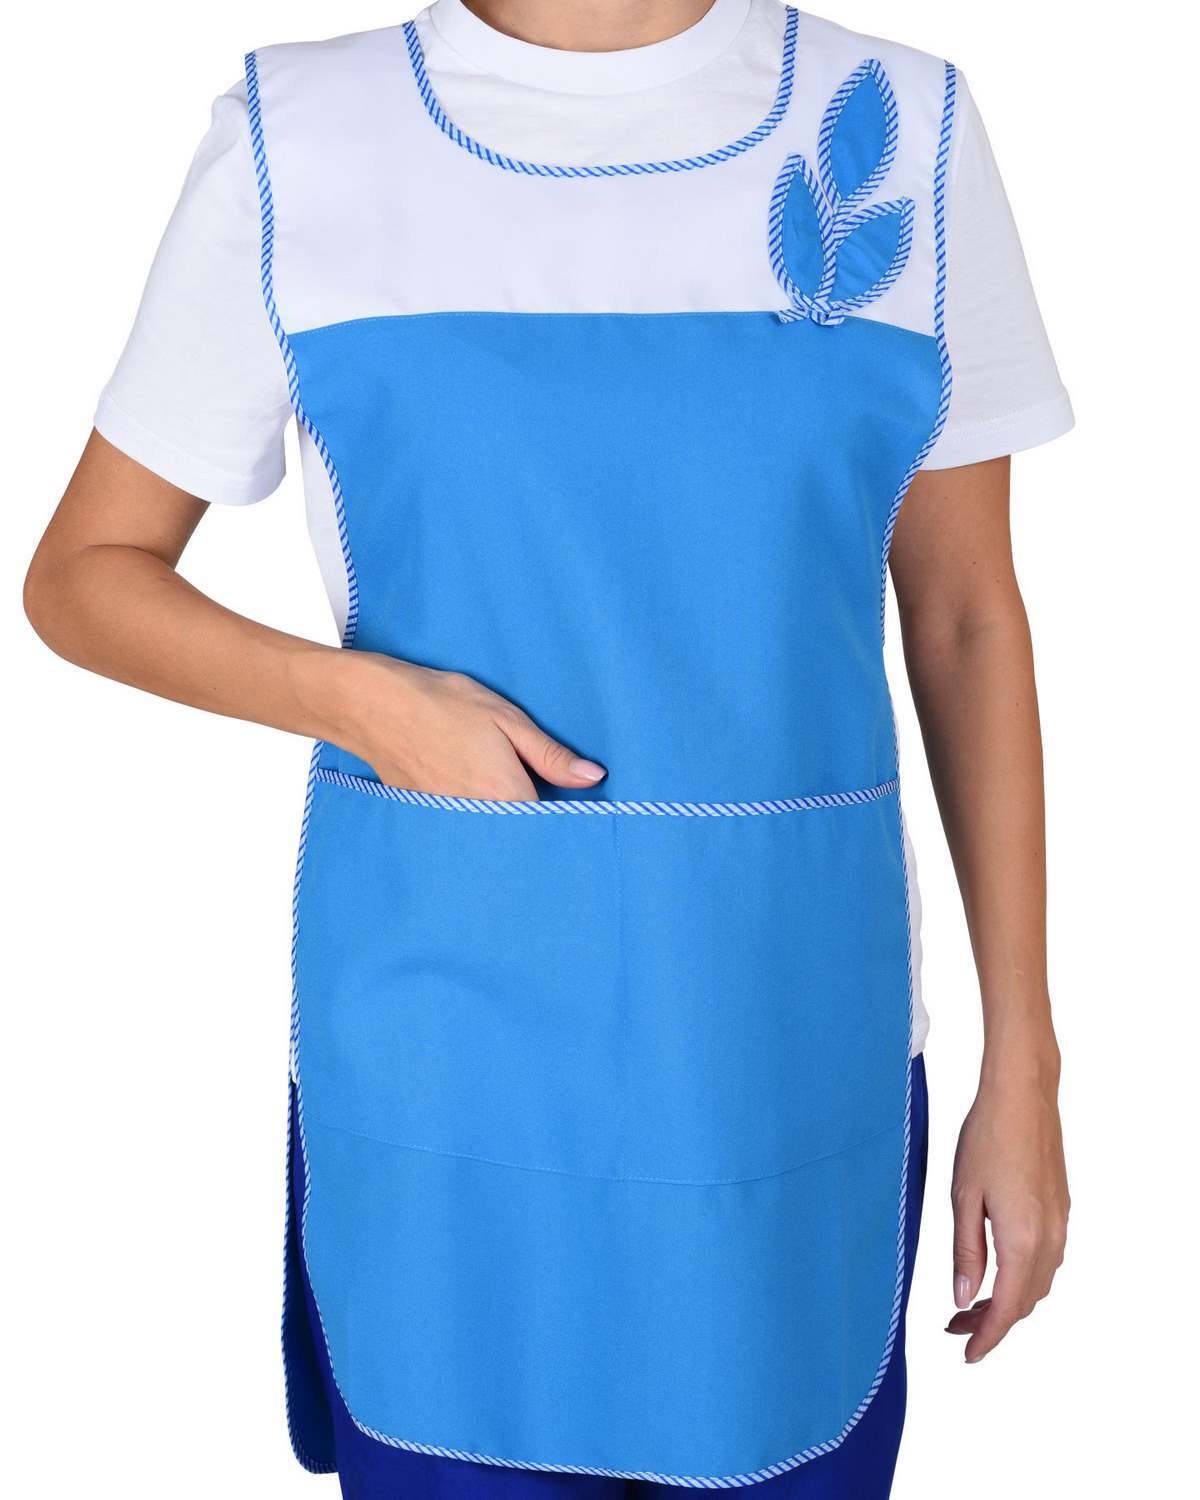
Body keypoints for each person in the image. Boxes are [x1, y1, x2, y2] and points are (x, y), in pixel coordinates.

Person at [23, 2, 1073, 1495]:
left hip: (776, 1031)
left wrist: (1023, 1060)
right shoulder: (301, 135)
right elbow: (84, 575)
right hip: (455, 1050)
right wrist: (362, 702)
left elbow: (965, 617)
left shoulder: (904, 127)